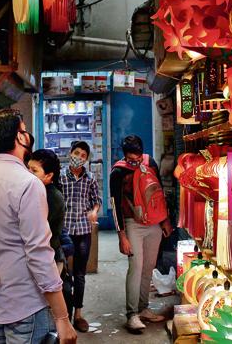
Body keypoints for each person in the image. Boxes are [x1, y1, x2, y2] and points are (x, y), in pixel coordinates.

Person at [0, 110, 77, 344]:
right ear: (20, 138)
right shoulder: (28, 184)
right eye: (24, 129)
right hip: (26, 306)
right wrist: (61, 317)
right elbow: (39, 253)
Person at [110, 135, 173, 333]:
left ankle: (143, 308)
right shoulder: (118, 172)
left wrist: (164, 220)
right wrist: (122, 235)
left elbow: (159, 193)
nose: (135, 162)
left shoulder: (150, 162)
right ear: (124, 155)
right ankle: (131, 315)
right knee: (135, 268)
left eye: (137, 159)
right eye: (131, 160)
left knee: (148, 268)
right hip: (132, 224)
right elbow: (115, 206)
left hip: (154, 223)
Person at [59, 141, 102, 332]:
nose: (79, 158)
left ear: (86, 159)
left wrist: (94, 211)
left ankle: (78, 314)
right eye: (77, 153)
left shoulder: (90, 178)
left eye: (83, 156)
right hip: (64, 231)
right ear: (70, 154)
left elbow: (96, 200)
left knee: (80, 274)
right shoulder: (59, 177)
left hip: (84, 231)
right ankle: (63, 315)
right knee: (62, 273)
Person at [28, 149, 66, 273]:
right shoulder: (36, 191)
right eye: (28, 168)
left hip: (48, 261)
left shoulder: (52, 197)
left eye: (34, 171)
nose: (28, 173)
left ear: (49, 176)